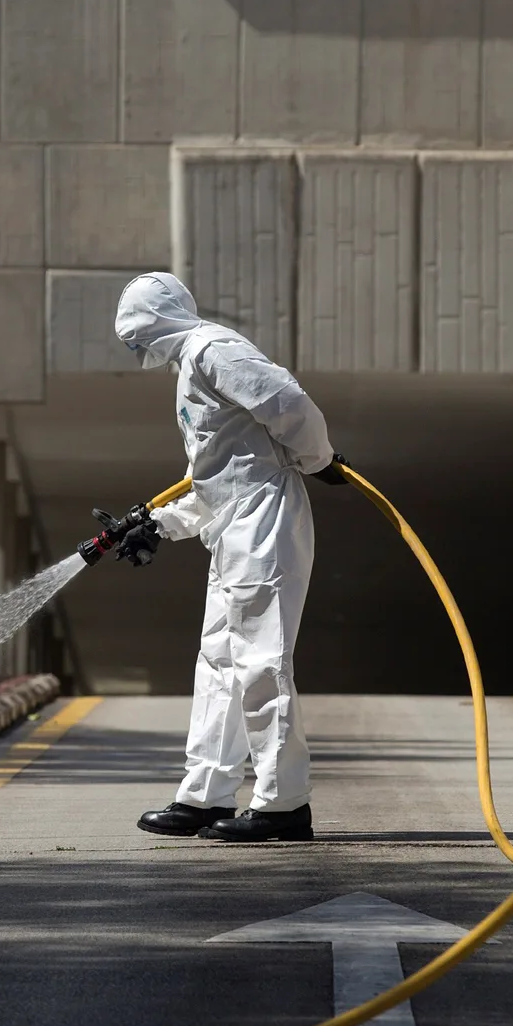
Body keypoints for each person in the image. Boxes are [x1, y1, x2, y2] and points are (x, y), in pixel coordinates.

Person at [112, 272, 347, 843]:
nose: (136, 344)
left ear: (158, 318)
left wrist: (319, 459)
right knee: (218, 663)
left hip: (265, 524)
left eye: (137, 331)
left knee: (262, 663)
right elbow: (212, 480)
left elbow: (288, 401)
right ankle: (204, 794)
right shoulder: (188, 368)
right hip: (233, 529)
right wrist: (157, 524)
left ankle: (282, 803)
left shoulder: (214, 350)